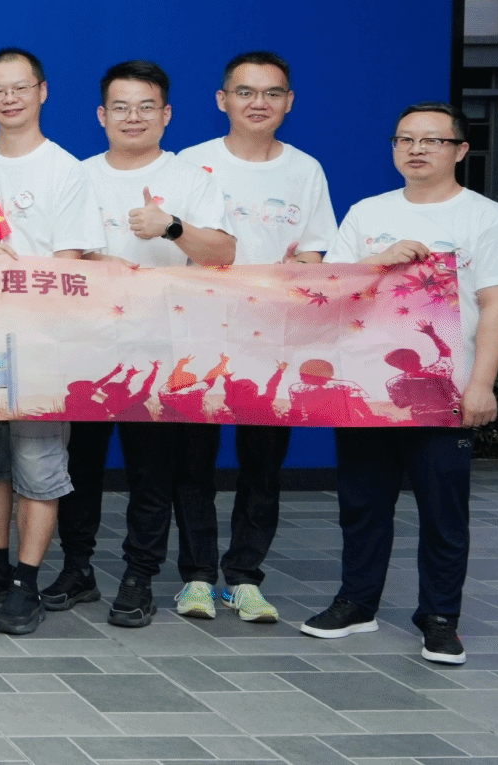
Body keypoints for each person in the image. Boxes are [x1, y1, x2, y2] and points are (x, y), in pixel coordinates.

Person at [300, 102, 498, 666]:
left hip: (446, 393)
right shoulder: (368, 212)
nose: (416, 149)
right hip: (370, 387)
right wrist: (380, 261)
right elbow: (335, 292)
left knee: (442, 510)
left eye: (432, 140)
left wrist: (482, 385)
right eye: (405, 139)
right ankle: (357, 603)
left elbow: (497, 308)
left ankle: (440, 617)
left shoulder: (486, 218)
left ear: (460, 150)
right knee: (362, 504)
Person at [0, 48, 101, 635]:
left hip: (40, 343)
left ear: (42, 91)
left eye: (20, 87)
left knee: (38, 464)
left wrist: (12, 269)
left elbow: (70, 266)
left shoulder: (66, 171)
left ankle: (27, 583)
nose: (9, 99)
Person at [175, 51, 338, 624]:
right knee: (193, 461)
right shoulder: (191, 164)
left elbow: (315, 252)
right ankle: (196, 577)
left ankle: (244, 577)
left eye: (271, 93)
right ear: (222, 100)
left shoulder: (305, 170)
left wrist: (301, 273)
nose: (258, 103)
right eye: (245, 92)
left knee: (263, 463)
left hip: (273, 342)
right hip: (198, 336)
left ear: (289, 102)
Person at [78, 60, 235, 629]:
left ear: (166, 114)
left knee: (151, 471)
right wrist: (93, 259)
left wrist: (170, 226)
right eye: (121, 107)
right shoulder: (77, 176)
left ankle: (139, 577)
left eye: (146, 106)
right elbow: (56, 254)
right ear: (102, 115)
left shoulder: (192, 178)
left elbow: (223, 253)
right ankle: (75, 569)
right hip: (86, 345)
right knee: (79, 466)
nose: (133, 117)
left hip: (163, 349)